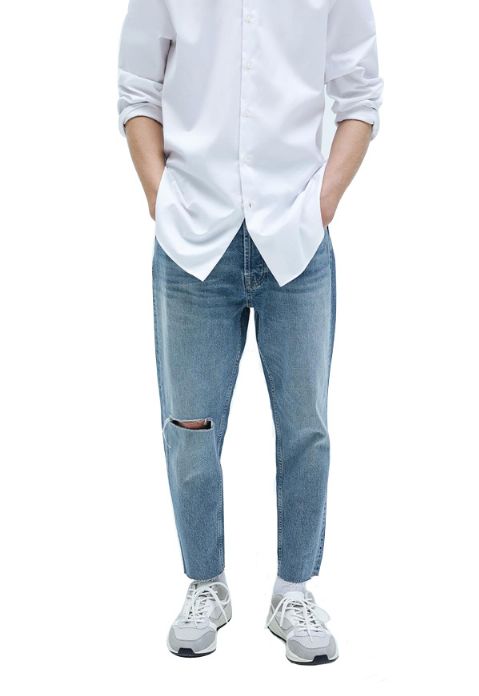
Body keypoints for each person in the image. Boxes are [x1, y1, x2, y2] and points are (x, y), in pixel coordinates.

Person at [117, 0, 383, 665]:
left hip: (295, 236)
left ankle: (294, 591)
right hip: (192, 235)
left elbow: (360, 96)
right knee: (190, 425)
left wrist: (321, 204)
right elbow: (137, 88)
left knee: (305, 426)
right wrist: (160, 198)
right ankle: (205, 585)